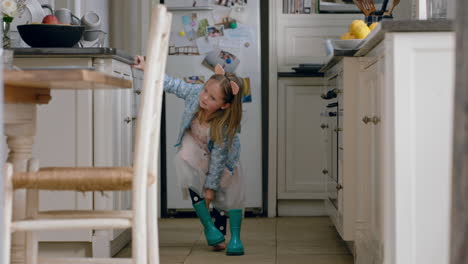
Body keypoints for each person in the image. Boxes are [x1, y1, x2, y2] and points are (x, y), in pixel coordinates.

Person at [134, 56, 245, 256]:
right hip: (195, 146)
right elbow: (172, 84)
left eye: (212, 98)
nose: (204, 98)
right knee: (185, 164)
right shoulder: (195, 94)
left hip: (222, 158)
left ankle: (234, 237)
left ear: (225, 105)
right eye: (205, 91)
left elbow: (219, 160)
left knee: (227, 191)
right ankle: (209, 228)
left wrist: (211, 187)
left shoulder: (224, 125)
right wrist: (148, 68)